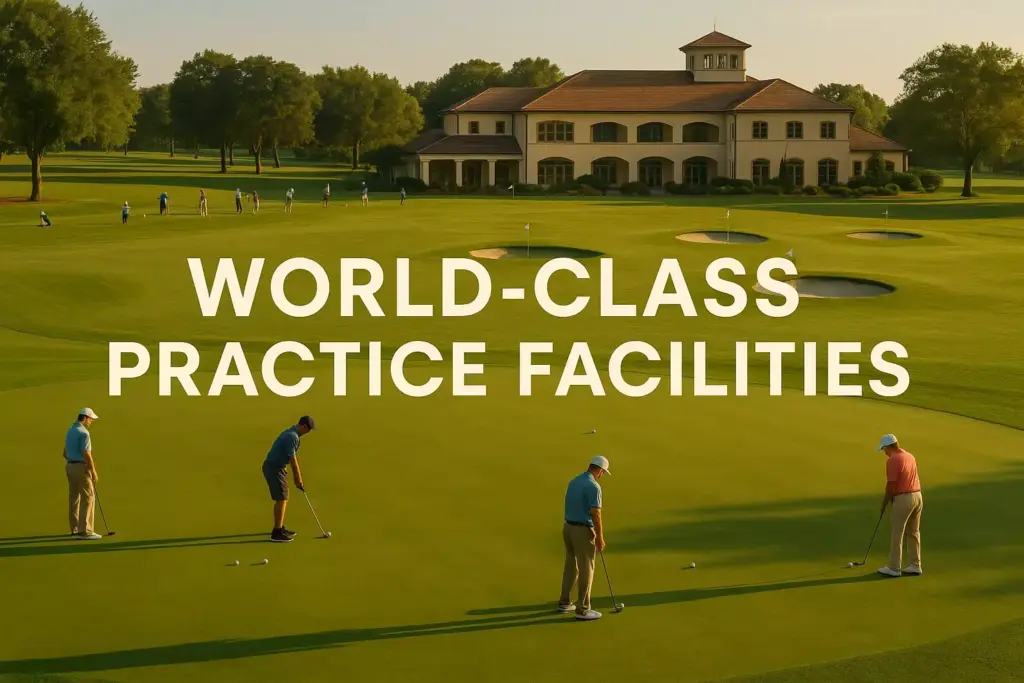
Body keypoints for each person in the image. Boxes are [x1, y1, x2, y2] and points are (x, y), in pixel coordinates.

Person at [558, 455, 610, 621]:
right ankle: (583, 609)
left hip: (568, 528)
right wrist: (599, 537)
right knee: (587, 569)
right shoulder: (594, 486)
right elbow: (596, 513)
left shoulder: (574, 481)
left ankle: (565, 602)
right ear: (600, 471)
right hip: (582, 531)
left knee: (571, 565)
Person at [262, 416, 316, 542]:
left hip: (277, 467)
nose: (308, 432)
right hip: (273, 468)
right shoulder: (292, 437)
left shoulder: (292, 433)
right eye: (308, 430)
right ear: (303, 426)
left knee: (283, 497)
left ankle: (280, 527)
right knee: (281, 498)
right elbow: (293, 460)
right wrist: (298, 479)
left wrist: (283, 466)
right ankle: (276, 533)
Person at [876, 434, 923, 577]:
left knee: (897, 533)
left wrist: (885, 502)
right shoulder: (910, 456)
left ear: (888, 447)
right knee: (913, 532)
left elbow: (891, 484)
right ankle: (915, 565)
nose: (884, 452)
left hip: (903, 498)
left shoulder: (893, 460)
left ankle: (894, 568)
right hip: (917, 496)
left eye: (884, 449)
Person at [64, 408, 101, 540]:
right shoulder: (84, 433)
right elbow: (87, 454)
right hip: (80, 467)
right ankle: (85, 531)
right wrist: (93, 471)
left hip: (69, 466)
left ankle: (74, 528)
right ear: (85, 418)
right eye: (91, 419)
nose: (91, 421)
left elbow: (64, 452)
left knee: (74, 497)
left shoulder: (70, 431)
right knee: (88, 497)